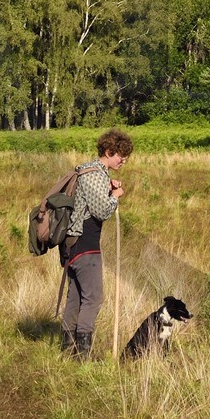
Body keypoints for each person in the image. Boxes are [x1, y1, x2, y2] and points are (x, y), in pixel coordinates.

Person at [60, 127, 132, 358]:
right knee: (93, 298)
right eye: (121, 155)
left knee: (76, 297)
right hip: (85, 246)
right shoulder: (93, 175)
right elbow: (101, 211)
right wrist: (115, 197)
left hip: (74, 245)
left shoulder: (94, 173)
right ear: (109, 151)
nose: (124, 160)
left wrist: (108, 187)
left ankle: (67, 350)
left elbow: (91, 201)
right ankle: (82, 355)